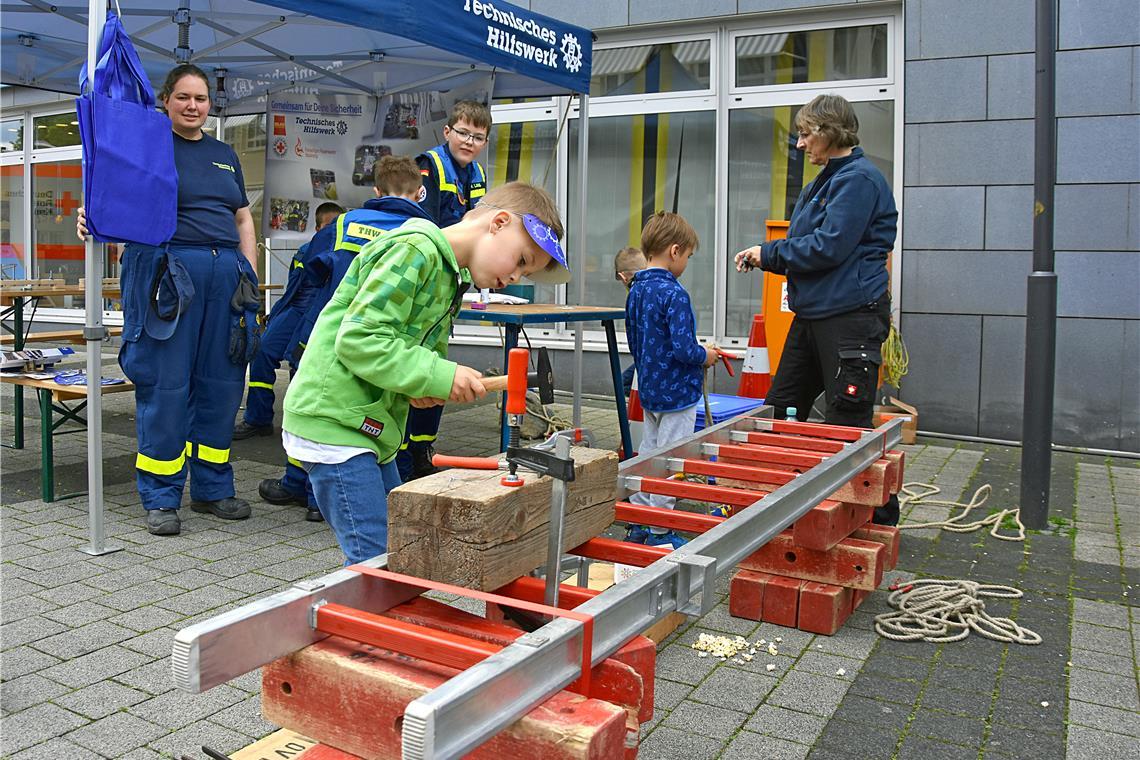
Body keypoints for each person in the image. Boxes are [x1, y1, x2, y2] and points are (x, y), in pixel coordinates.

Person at [281, 182, 571, 564]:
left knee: (397, 550)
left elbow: (403, 356)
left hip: (366, 425)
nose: (517, 277)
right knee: (377, 561)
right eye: (521, 260)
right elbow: (359, 340)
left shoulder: (448, 275)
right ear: (498, 223)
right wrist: (438, 373)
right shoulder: (416, 250)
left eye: (526, 273)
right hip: (335, 421)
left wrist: (425, 386)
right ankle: (356, 622)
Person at [76, 64, 259, 536]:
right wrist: (90, 219)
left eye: (200, 98)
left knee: (221, 386)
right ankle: (160, 496)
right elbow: (113, 200)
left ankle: (212, 489)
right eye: (183, 97)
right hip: (170, 276)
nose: (192, 106)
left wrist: (250, 272)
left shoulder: (224, 154)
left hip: (225, 279)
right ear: (165, 100)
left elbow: (241, 218)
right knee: (167, 387)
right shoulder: (149, 146)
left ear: (209, 105)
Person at [733, 93, 900, 526]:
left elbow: (829, 247)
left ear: (829, 132)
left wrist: (767, 254)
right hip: (813, 316)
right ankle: (779, 506)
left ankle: (875, 521)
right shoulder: (821, 183)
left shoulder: (859, 180)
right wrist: (774, 254)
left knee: (847, 425)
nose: (801, 144)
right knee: (782, 406)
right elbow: (809, 242)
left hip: (850, 318)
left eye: (806, 134)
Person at [257, 155, 434, 522]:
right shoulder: (426, 232)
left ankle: (305, 491)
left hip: (332, 332)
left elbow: (309, 271)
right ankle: (377, 492)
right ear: (419, 191)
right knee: (382, 412)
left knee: (318, 409)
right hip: (389, 343)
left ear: (375, 190)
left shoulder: (346, 223)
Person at [401, 100, 492, 482]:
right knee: (413, 367)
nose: (469, 142)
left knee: (436, 366)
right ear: (447, 132)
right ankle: (402, 456)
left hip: (451, 287)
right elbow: (423, 227)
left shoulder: (477, 173)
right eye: (464, 133)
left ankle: (423, 450)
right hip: (426, 283)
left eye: (478, 137)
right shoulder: (430, 166)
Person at [623, 212, 718, 549]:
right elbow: (683, 348)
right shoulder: (674, 294)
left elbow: (633, 339)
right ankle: (661, 528)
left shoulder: (636, 289)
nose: (687, 264)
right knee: (671, 459)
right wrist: (706, 355)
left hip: (649, 385)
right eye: (689, 256)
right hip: (679, 390)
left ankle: (638, 518)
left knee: (648, 452)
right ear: (675, 251)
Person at [233, 201, 344, 441]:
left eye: (337, 225)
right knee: (262, 352)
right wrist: (276, 317)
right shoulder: (305, 251)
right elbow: (292, 291)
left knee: (302, 364)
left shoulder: (346, 254)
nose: (333, 231)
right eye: (328, 226)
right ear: (317, 228)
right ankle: (258, 419)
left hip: (323, 315)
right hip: (295, 312)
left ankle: (302, 425)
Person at [613, 246, 647, 397]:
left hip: (647, 356)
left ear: (622, 277)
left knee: (621, 383)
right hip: (654, 355)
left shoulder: (635, 294)